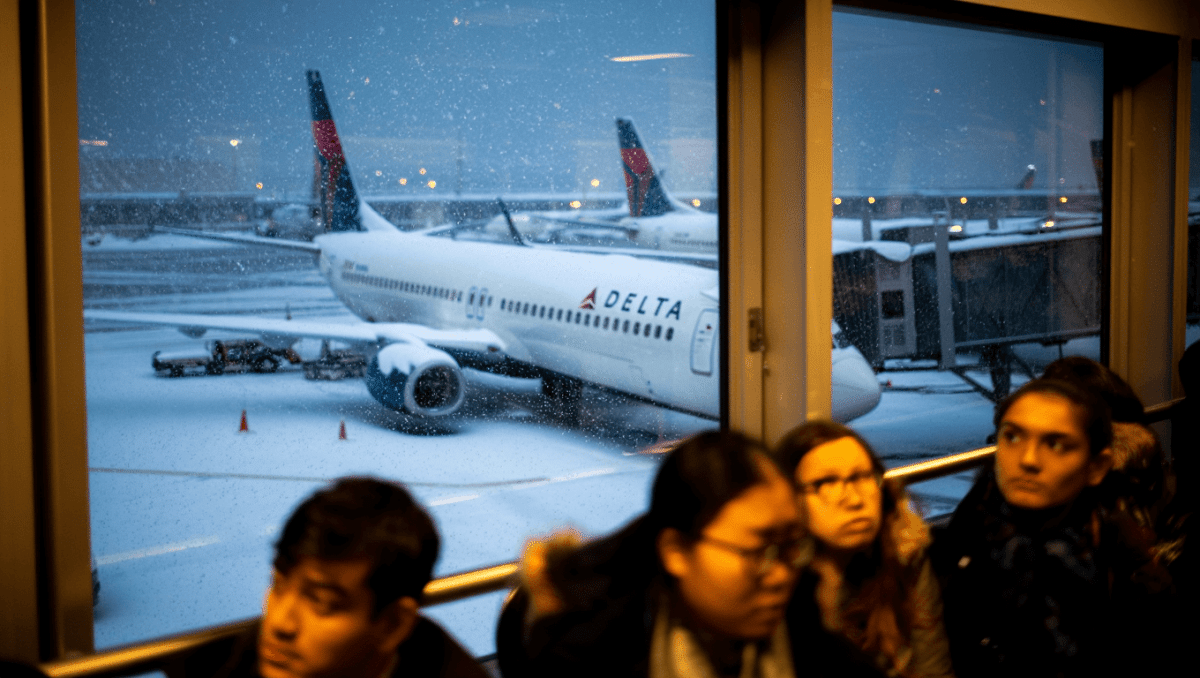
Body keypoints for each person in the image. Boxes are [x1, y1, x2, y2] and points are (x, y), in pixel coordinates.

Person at [500, 430, 884, 678]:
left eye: (791, 547)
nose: (781, 574)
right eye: (758, 553)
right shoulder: (587, 656)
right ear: (676, 552)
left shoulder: (798, 616)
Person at [931, 378, 1175, 678]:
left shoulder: (1117, 552)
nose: (1028, 459)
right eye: (1012, 437)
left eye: (1056, 444)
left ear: (1096, 467)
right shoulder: (971, 523)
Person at [188, 476, 489, 678]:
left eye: (321, 604)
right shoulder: (226, 663)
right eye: (278, 585)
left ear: (392, 624)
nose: (279, 622)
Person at [775, 421, 953, 678]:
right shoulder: (775, 579)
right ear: (789, 497)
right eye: (826, 483)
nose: (855, 500)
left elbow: (933, 669)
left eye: (862, 477)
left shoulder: (903, 552)